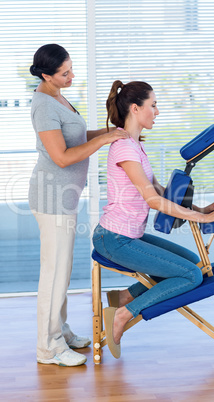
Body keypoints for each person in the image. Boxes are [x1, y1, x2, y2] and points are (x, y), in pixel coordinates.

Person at [92, 80, 214, 359]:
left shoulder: (134, 144)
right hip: (113, 239)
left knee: (197, 265)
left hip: (127, 235)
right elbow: (153, 201)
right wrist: (196, 216)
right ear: (136, 108)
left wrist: (202, 208)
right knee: (191, 275)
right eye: (153, 105)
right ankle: (123, 314)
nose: (157, 111)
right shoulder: (124, 147)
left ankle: (123, 296)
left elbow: (159, 190)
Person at [29, 44, 129, 367]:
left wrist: (110, 133)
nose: (71, 76)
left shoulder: (57, 95)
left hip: (65, 198)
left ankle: (61, 331)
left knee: (64, 272)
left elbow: (76, 136)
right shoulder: (44, 105)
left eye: (71, 69)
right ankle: (48, 347)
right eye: (65, 73)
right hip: (51, 199)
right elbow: (61, 157)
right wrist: (102, 141)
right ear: (47, 75)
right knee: (53, 274)